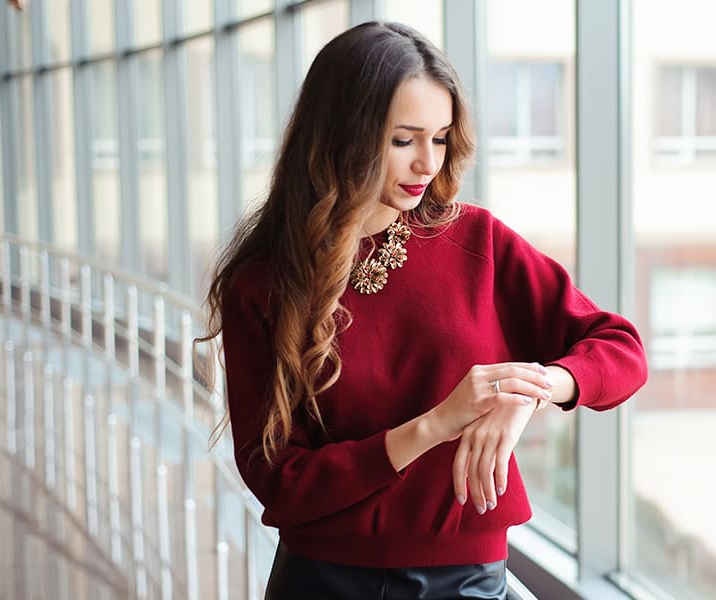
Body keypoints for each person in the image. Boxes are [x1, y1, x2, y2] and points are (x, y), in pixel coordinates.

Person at [201, 20, 648, 600]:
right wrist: (433, 426)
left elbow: (620, 348)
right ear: (343, 136)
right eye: (404, 140)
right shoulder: (262, 282)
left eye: (440, 138)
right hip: (326, 580)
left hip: (468, 577)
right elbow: (277, 478)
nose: (428, 164)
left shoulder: (477, 240)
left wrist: (533, 389)